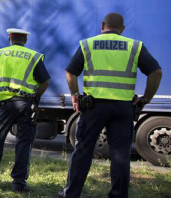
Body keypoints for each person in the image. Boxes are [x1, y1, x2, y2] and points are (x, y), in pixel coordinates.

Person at [58, 13, 162, 198]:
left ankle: (71, 193)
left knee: (83, 150)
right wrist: (146, 99)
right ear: (122, 28)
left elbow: (70, 72)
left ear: (102, 25)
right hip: (123, 107)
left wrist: (75, 95)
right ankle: (118, 195)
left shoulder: (87, 44)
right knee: (120, 154)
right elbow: (156, 72)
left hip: (93, 107)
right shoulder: (134, 46)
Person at [0, 28, 50, 193]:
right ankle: (18, 184)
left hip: (5, 105)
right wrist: (34, 97)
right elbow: (45, 82)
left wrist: (3, 93)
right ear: (25, 40)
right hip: (25, 105)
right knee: (23, 143)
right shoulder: (34, 56)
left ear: (9, 38)